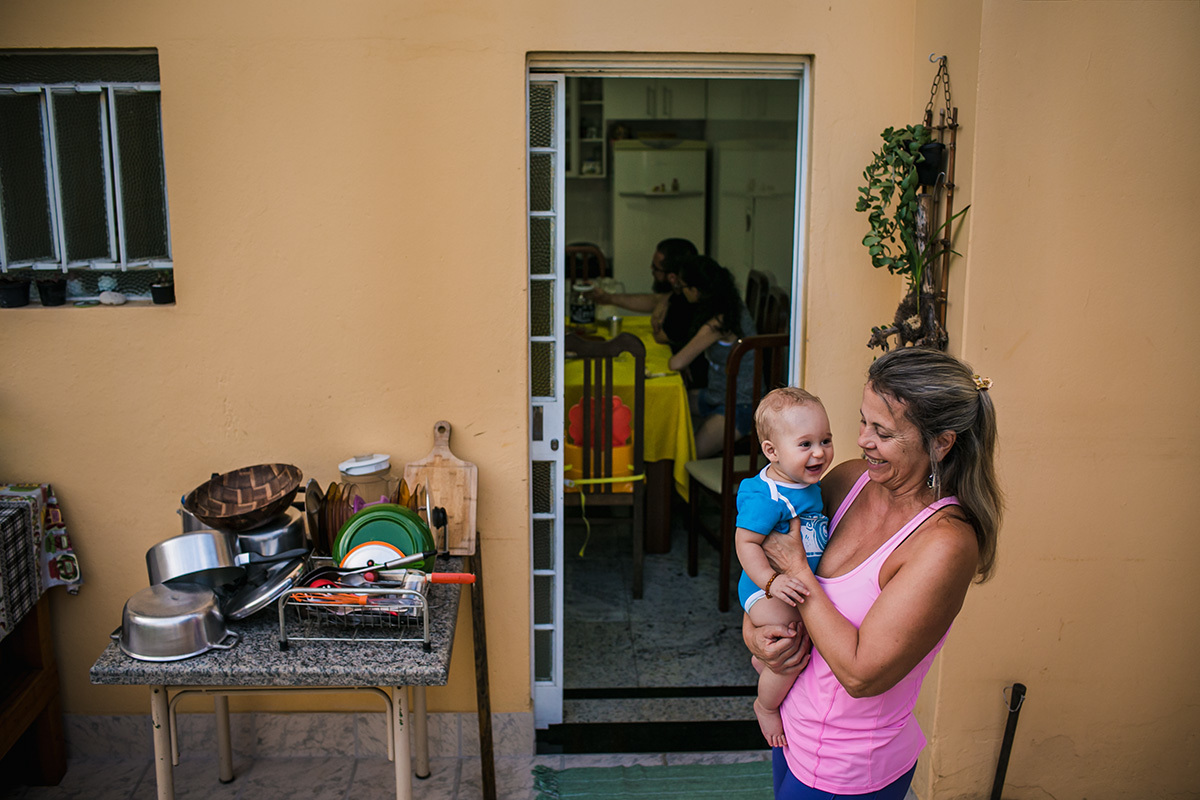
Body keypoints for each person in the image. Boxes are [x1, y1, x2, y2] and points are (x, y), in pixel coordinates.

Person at [742, 347, 1002, 800]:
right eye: (863, 421)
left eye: (882, 431)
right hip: (792, 729)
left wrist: (798, 569)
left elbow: (863, 675)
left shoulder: (944, 543)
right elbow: (769, 567)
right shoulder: (847, 480)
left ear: (941, 442)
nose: (862, 440)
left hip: (849, 767)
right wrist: (754, 634)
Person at [735, 387, 834, 748]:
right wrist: (772, 581)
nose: (819, 452)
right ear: (771, 452)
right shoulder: (768, 497)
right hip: (766, 586)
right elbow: (744, 543)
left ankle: (765, 668)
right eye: (805, 444)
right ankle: (766, 704)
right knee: (790, 650)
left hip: (785, 581)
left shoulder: (805, 483)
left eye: (825, 440)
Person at [667, 255, 758, 457]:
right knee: (672, 403)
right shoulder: (730, 306)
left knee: (688, 453)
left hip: (740, 404)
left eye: (682, 287)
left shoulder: (719, 322)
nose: (680, 292)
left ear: (696, 290)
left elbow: (676, 362)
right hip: (719, 393)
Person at [590, 238, 706, 388]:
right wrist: (607, 298)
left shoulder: (686, 302)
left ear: (672, 277)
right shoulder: (682, 292)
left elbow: (661, 334)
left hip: (698, 385)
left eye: (656, 268)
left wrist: (662, 307)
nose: (651, 268)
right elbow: (654, 300)